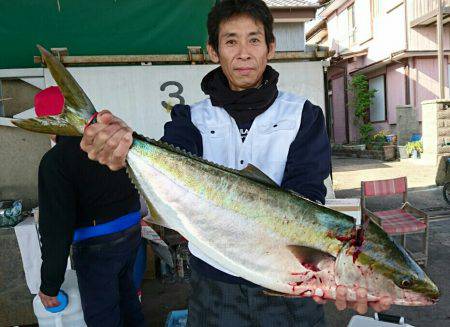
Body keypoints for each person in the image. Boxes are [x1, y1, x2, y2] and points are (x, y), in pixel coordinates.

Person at [81, 1, 392, 325]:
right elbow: (163, 170)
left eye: (253, 40)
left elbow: (306, 195)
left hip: (290, 287)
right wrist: (121, 150)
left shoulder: (304, 115)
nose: (243, 52)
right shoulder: (190, 118)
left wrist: (336, 269)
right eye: (231, 41)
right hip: (213, 288)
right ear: (213, 50)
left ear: (270, 47)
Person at [36, 86, 146, 326]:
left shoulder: (55, 161)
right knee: (128, 301)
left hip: (98, 247)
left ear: (47, 123)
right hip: (132, 234)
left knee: (103, 316)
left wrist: (49, 285)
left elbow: (56, 228)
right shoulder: (110, 143)